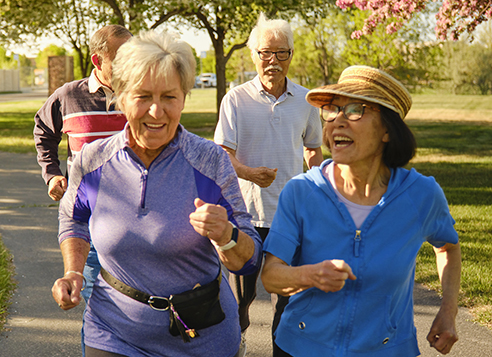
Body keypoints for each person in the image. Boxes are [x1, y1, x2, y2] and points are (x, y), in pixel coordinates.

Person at [51, 29, 262, 357]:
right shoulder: (92, 160)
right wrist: (73, 271)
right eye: (143, 96)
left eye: (169, 97)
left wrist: (227, 236)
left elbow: (249, 261)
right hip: (112, 333)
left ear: (184, 97)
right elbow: (73, 218)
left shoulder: (209, 161)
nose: (156, 111)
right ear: (120, 95)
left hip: (201, 337)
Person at [261, 65, 462, 356]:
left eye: (355, 110)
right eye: (332, 109)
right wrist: (310, 275)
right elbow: (270, 275)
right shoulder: (302, 192)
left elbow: (448, 248)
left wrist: (448, 310)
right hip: (300, 347)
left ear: (387, 131)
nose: (337, 121)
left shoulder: (421, 195)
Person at [213, 13, 323, 354]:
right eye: (265, 53)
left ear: (291, 55)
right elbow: (222, 154)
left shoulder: (307, 101)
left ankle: (282, 350)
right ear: (253, 54)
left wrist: (319, 181)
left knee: (286, 299)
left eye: (281, 53)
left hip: (289, 216)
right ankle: (238, 338)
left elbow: (313, 149)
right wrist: (249, 173)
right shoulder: (235, 99)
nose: (273, 61)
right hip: (245, 215)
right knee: (241, 298)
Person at [34, 25, 132, 355]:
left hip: (137, 223)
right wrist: (52, 174)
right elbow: (43, 129)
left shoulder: (138, 93)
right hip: (87, 225)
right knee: (99, 314)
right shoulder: (68, 96)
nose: (129, 64)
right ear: (97, 59)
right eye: (121, 58)